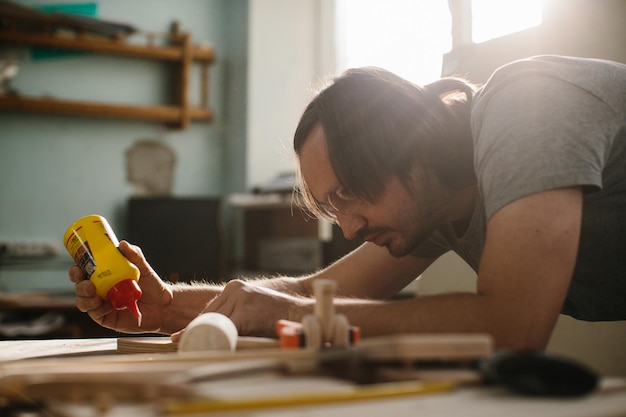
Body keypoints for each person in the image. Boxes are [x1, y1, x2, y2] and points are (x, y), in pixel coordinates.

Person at [69, 55, 626, 351]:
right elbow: (317, 294)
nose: (351, 227)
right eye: (332, 207)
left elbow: (514, 328)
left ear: (414, 150)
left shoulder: (528, 110)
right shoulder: (435, 201)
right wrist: (166, 308)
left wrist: (290, 313)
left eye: (351, 196)